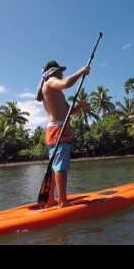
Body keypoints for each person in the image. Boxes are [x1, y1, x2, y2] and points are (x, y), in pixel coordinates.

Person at [36, 60, 90, 208]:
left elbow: (67, 112)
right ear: (53, 71)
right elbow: (67, 83)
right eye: (60, 71)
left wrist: (79, 107)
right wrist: (81, 71)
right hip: (58, 130)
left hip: (57, 129)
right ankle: (62, 201)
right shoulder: (51, 81)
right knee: (61, 167)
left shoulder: (54, 90)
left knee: (55, 167)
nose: (62, 73)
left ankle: (50, 200)